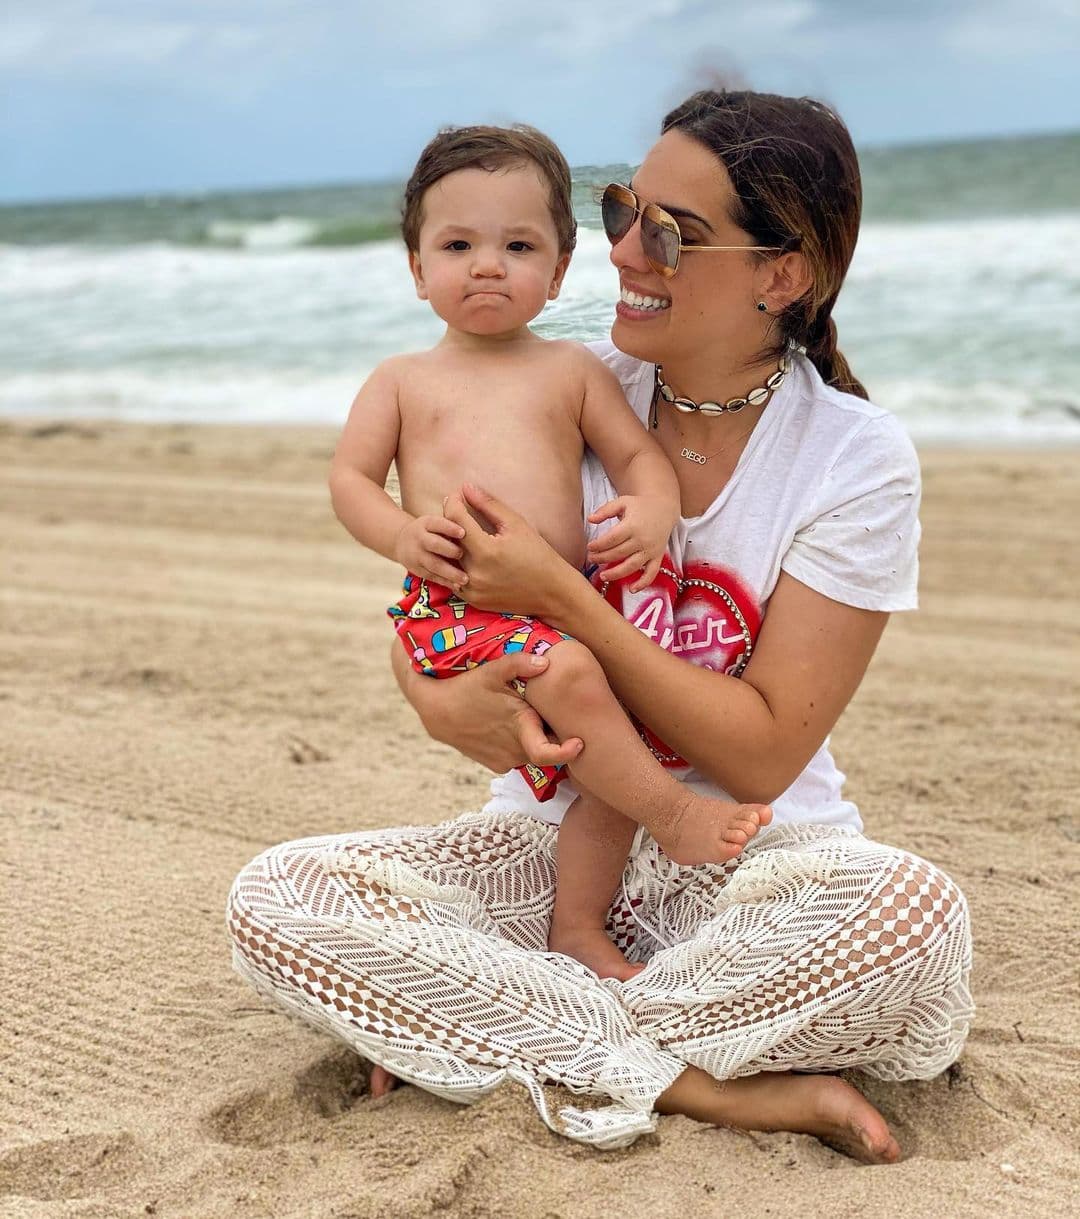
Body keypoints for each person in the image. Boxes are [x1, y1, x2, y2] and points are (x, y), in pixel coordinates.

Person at [227, 89, 973, 1161]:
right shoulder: (560, 384)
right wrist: (436, 696)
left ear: (782, 274)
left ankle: (496, 1029)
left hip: (748, 862)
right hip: (552, 844)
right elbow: (439, 618)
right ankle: (707, 1083)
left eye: (673, 231)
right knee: (276, 898)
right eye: (625, 208)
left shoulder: (853, 457)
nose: (625, 249)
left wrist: (567, 596)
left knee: (912, 915)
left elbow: (763, 751)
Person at [328, 123, 771, 982]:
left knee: (614, 752)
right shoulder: (401, 380)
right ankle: (675, 818)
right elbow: (350, 479)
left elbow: (640, 455)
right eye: (458, 244)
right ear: (418, 270)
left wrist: (650, 508)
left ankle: (576, 926)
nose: (487, 264)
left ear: (559, 271)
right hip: (458, 612)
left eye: (518, 244)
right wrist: (400, 534)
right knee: (578, 686)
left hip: (560, 608)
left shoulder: (571, 371)